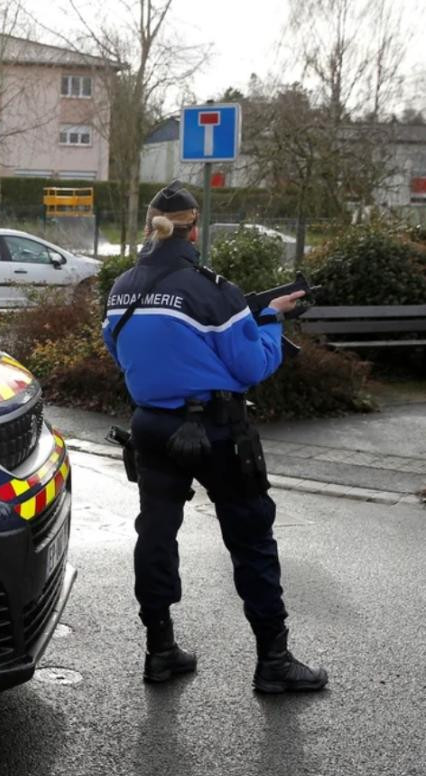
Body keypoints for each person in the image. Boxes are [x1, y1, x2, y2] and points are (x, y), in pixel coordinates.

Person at [101, 181, 328, 693]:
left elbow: (122, 353)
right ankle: (274, 660)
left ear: (151, 229)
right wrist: (269, 321)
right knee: (251, 539)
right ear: (194, 229)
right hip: (219, 432)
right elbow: (250, 367)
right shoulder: (213, 289)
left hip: (152, 428)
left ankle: (160, 652)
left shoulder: (122, 288)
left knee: (155, 536)